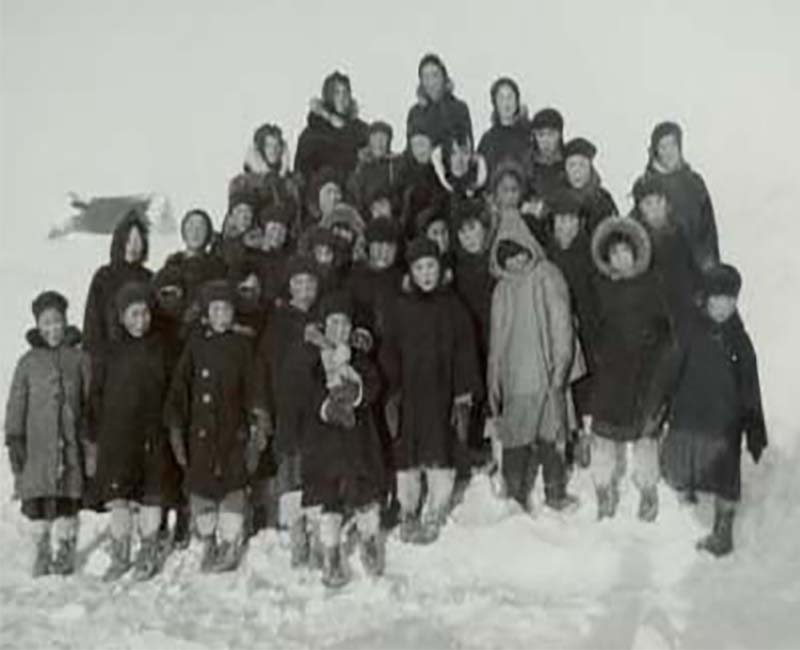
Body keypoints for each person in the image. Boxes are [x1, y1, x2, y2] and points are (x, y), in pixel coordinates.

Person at [380, 237, 481, 544]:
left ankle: (436, 508)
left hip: (441, 392)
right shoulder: (400, 308)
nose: (426, 274)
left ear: (440, 269)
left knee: (440, 452)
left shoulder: (452, 307)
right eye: (420, 268)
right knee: (407, 457)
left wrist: (464, 392)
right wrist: (392, 389)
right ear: (411, 272)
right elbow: (390, 350)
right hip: (410, 394)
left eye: (431, 267)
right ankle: (408, 509)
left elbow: (466, 351)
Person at [164, 280, 270, 573]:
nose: (221, 314)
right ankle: (208, 537)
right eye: (215, 309)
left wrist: (259, 424)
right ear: (207, 313)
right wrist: (175, 425)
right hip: (200, 435)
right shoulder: (195, 346)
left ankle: (231, 539)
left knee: (234, 489)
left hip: (232, 434)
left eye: (226, 309)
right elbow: (180, 389)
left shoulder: (243, 347)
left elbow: (256, 389)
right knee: (202, 491)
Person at [662, 264, 766, 556]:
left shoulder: (739, 340)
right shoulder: (690, 332)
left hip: (724, 422)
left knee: (725, 474)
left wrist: (755, 428)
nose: (723, 308)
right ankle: (685, 500)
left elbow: (750, 387)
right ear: (706, 299)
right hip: (689, 414)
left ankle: (723, 532)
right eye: (717, 300)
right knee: (682, 462)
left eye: (730, 302)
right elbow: (670, 371)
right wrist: (659, 407)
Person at [487, 209, 581, 512]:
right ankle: (514, 492)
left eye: (520, 252)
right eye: (508, 255)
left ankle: (555, 491)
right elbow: (497, 340)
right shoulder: (502, 289)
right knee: (515, 437)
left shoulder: (547, 276)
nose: (516, 260)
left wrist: (561, 365)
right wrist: (494, 381)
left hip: (545, 371)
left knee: (550, 435)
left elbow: (561, 324)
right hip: (515, 378)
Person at [586, 217, 679, 522]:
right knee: (603, 439)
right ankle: (603, 488)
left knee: (645, 439)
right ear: (607, 258)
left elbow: (667, 335)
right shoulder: (601, 288)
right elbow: (594, 329)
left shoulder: (653, 287)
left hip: (643, 377)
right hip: (611, 378)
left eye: (626, 252)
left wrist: (659, 375)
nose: (620, 259)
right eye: (614, 254)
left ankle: (648, 489)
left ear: (636, 253)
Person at [298, 292, 386, 587]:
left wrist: (357, 395)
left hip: (358, 439)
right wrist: (327, 407)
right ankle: (331, 551)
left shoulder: (359, 358)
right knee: (328, 498)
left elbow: (374, 385)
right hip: (324, 441)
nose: (340, 329)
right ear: (324, 325)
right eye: (334, 322)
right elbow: (306, 393)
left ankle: (370, 538)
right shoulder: (313, 358)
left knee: (365, 491)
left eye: (345, 324)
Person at [4, 291, 91, 577]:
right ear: (38, 327)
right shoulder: (28, 362)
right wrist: (15, 438)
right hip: (39, 449)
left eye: (57, 322)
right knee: (38, 503)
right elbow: (17, 402)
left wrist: (89, 438)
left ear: (65, 323)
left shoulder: (79, 359)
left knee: (67, 500)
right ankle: (41, 548)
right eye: (46, 323)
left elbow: (89, 400)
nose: (53, 329)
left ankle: (65, 547)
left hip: (69, 446)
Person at [89, 281, 170, 581]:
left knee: (152, 494)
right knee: (119, 496)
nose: (140, 321)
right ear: (121, 317)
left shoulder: (160, 348)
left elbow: (171, 390)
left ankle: (148, 549)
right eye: (133, 315)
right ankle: (120, 552)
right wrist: (96, 432)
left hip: (152, 434)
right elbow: (96, 395)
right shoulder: (110, 352)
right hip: (118, 437)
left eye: (144, 313)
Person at [254, 256, 322, 566]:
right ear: (289, 286)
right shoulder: (278, 322)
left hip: (318, 411)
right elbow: (264, 367)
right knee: (290, 471)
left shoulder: (323, 319)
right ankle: (296, 530)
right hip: (287, 408)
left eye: (310, 282)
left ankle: (319, 529)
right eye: (298, 283)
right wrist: (264, 408)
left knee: (317, 470)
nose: (305, 289)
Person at [634, 121, 719, 271]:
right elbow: (637, 227)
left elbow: (708, 228)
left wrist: (710, 263)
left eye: (673, 144)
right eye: (663, 146)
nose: (669, 152)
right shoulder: (647, 185)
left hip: (696, 266)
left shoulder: (694, 182)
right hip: (660, 269)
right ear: (655, 151)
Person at [633, 175, 703, 346]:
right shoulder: (635, 240)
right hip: (653, 319)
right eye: (648, 204)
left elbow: (693, 269)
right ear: (640, 208)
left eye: (659, 202)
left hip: (684, 311)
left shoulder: (679, 232)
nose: (655, 209)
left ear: (667, 203)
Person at [83, 210, 153, 357]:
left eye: (138, 240)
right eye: (128, 241)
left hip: (143, 357)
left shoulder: (149, 278)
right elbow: (92, 324)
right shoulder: (104, 276)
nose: (133, 247)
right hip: (110, 356)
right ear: (119, 242)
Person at [294, 71, 369, 189]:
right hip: (321, 197)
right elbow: (302, 175)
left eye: (346, 92)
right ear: (328, 96)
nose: (342, 98)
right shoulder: (312, 134)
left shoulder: (361, 130)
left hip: (356, 196)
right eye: (337, 93)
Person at [406, 53, 472, 149]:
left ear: (444, 77)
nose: (431, 82)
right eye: (426, 77)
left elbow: (466, 147)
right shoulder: (415, 113)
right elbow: (411, 151)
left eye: (435, 75)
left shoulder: (459, 109)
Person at [477, 77, 532, 179]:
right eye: (501, 98)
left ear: (517, 101)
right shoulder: (488, 139)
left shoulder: (529, 134)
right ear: (495, 103)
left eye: (510, 97)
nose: (506, 103)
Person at [561, 137, 618, 236]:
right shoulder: (556, 199)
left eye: (582, 165)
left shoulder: (603, 200)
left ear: (590, 168)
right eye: (572, 165)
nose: (576, 171)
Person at [347, 120, 401, 218]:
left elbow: (401, 192)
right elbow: (354, 196)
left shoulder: (396, 164)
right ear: (370, 141)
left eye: (383, 138)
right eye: (375, 138)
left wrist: (390, 205)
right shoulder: (360, 167)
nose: (379, 143)